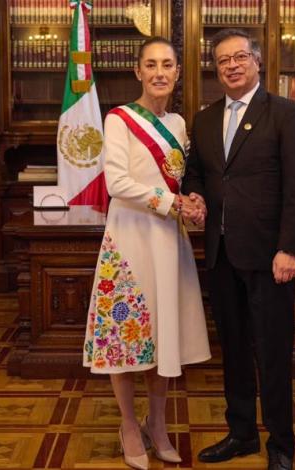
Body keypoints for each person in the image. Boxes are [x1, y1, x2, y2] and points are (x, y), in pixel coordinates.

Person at [182, 28, 295, 470]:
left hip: (269, 256)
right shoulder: (203, 119)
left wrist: (290, 249)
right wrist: (195, 196)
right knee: (234, 350)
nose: (232, 66)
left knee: (273, 352)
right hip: (220, 254)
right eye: (222, 60)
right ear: (215, 69)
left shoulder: (285, 113)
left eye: (240, 57)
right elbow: (195, 174)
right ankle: (241, 434)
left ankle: (280, 444)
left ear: (257, 61)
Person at [82, 37, 211, 470]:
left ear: (177, 72)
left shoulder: (177, 124)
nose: (159, 72)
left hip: (170, 243)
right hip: (130, 241)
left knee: (163, 337)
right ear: (138, 71)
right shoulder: (118, 119)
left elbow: (184, 178)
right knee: (127, 339)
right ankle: (128, 425)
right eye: (151, 64)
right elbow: (117, 183)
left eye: (168, 65)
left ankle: (158, 424)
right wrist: (173, 202)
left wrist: (193, 201)